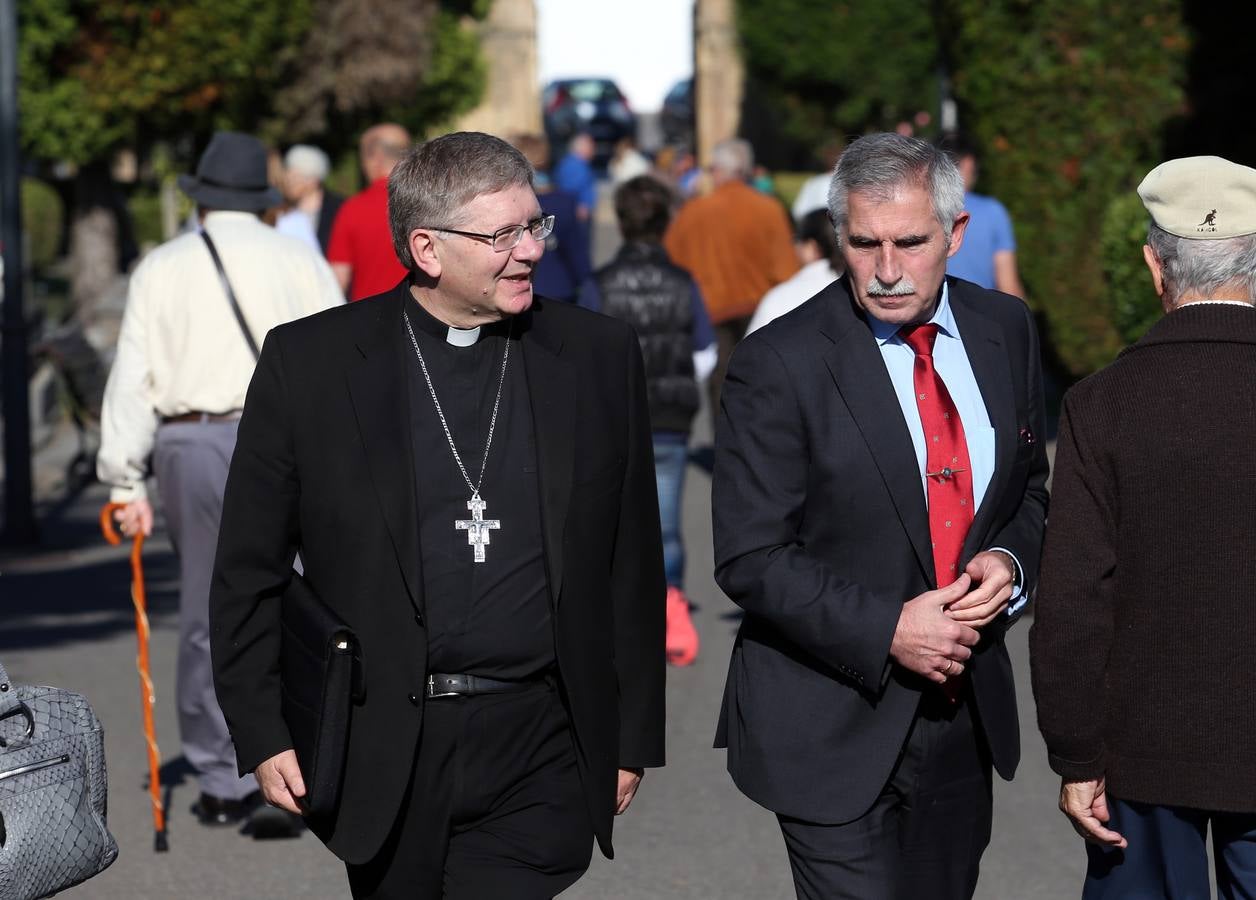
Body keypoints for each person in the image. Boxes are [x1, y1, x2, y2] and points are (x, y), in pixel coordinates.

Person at [209, 131, 665, 898]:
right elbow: (248, 569)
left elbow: (632, 559)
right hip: (387, 740)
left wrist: (632, 734)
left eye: (534, 225)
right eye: (503, 235)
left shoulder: (595, 355)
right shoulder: (312, 364)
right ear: (426, 247)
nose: (529, 251)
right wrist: (261, 731)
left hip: (540, 737)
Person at [712, 132, 1049, 900]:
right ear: (839, 237)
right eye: (865, 243)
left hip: (962, 717)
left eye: (910, 242)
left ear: (956, 235)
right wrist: (889, 628)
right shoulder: (779, 362)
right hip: (828, 717)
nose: (887, 270)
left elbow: (1029, 490)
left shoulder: (1006, 330)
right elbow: (749, 554)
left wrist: (1011, 562)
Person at [97, 131, 344, 833]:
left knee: (211, 610)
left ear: (202, 197)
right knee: (303, 602)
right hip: (290, 440)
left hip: (192, 441)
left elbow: (134, 380)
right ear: (263, 198)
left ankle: (218, 773)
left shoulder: (161, 267)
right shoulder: (298, 258)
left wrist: (124, 481)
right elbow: (337, 357)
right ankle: (306, 759)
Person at [1030, 155, 1256, 899]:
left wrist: (1076, 755)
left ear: (1154, 265)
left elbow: (1071, 603)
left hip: (1144, 752)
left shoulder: (1102, 404)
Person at [577, 174, 716, 667]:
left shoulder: (597, 284)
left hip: (614, 417)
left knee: (613, 518)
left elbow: (583, 355)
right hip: (672, 417)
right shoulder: (683, 281)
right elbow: (704, 349)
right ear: (665, 222)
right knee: (668, 523)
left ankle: (623, 610)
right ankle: (671, 604)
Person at [664, 137, 797, 414]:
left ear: (718, 171)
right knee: (764, 384)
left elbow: (671, 261)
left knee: (721, 384)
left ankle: (722, 449)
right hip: (760, 310)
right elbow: (786, 270)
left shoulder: (695, 211)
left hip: (712, 311)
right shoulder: (769, 209)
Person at [327, 122, 411, 300]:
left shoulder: (352, 209)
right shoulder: (431, 203)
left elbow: (336, 282)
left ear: (376, 157)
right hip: (423, 321)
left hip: (369, 320)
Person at [941, 135, 1024, 297]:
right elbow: (1009, 286)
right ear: (969, 162)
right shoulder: (992, 212)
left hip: (929, 317)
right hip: (979, 314)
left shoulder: (922, 210)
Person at [512, 133, 590, 304]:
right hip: (559, 288)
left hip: (518, 288)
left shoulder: (509, 203)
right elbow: (577, 255)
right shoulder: (564, 201)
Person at [746, 208, 843, 335]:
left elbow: (752, 348)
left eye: (796, 241)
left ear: (811, 247)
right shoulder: (857, 288)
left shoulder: (779, 297)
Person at [276, 144, 344, 256]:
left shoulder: (339, 209)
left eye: (296, 177)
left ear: (314, 180)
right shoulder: (283, 208)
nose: (289, 183)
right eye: (288, 176)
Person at [791, 140, 846, 223]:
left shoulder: (814, 182)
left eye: (835, 155)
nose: (833, 158)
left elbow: (799, 212)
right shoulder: (813, 183)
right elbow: (799, 211)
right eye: (830, 155)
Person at [553, 132, 598, 223]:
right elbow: (569, 190)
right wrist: (581, 205)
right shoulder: (574, 165)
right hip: (577, 214)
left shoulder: (579, 163)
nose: (594, 151)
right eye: (591, 147)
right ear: (582, 148)